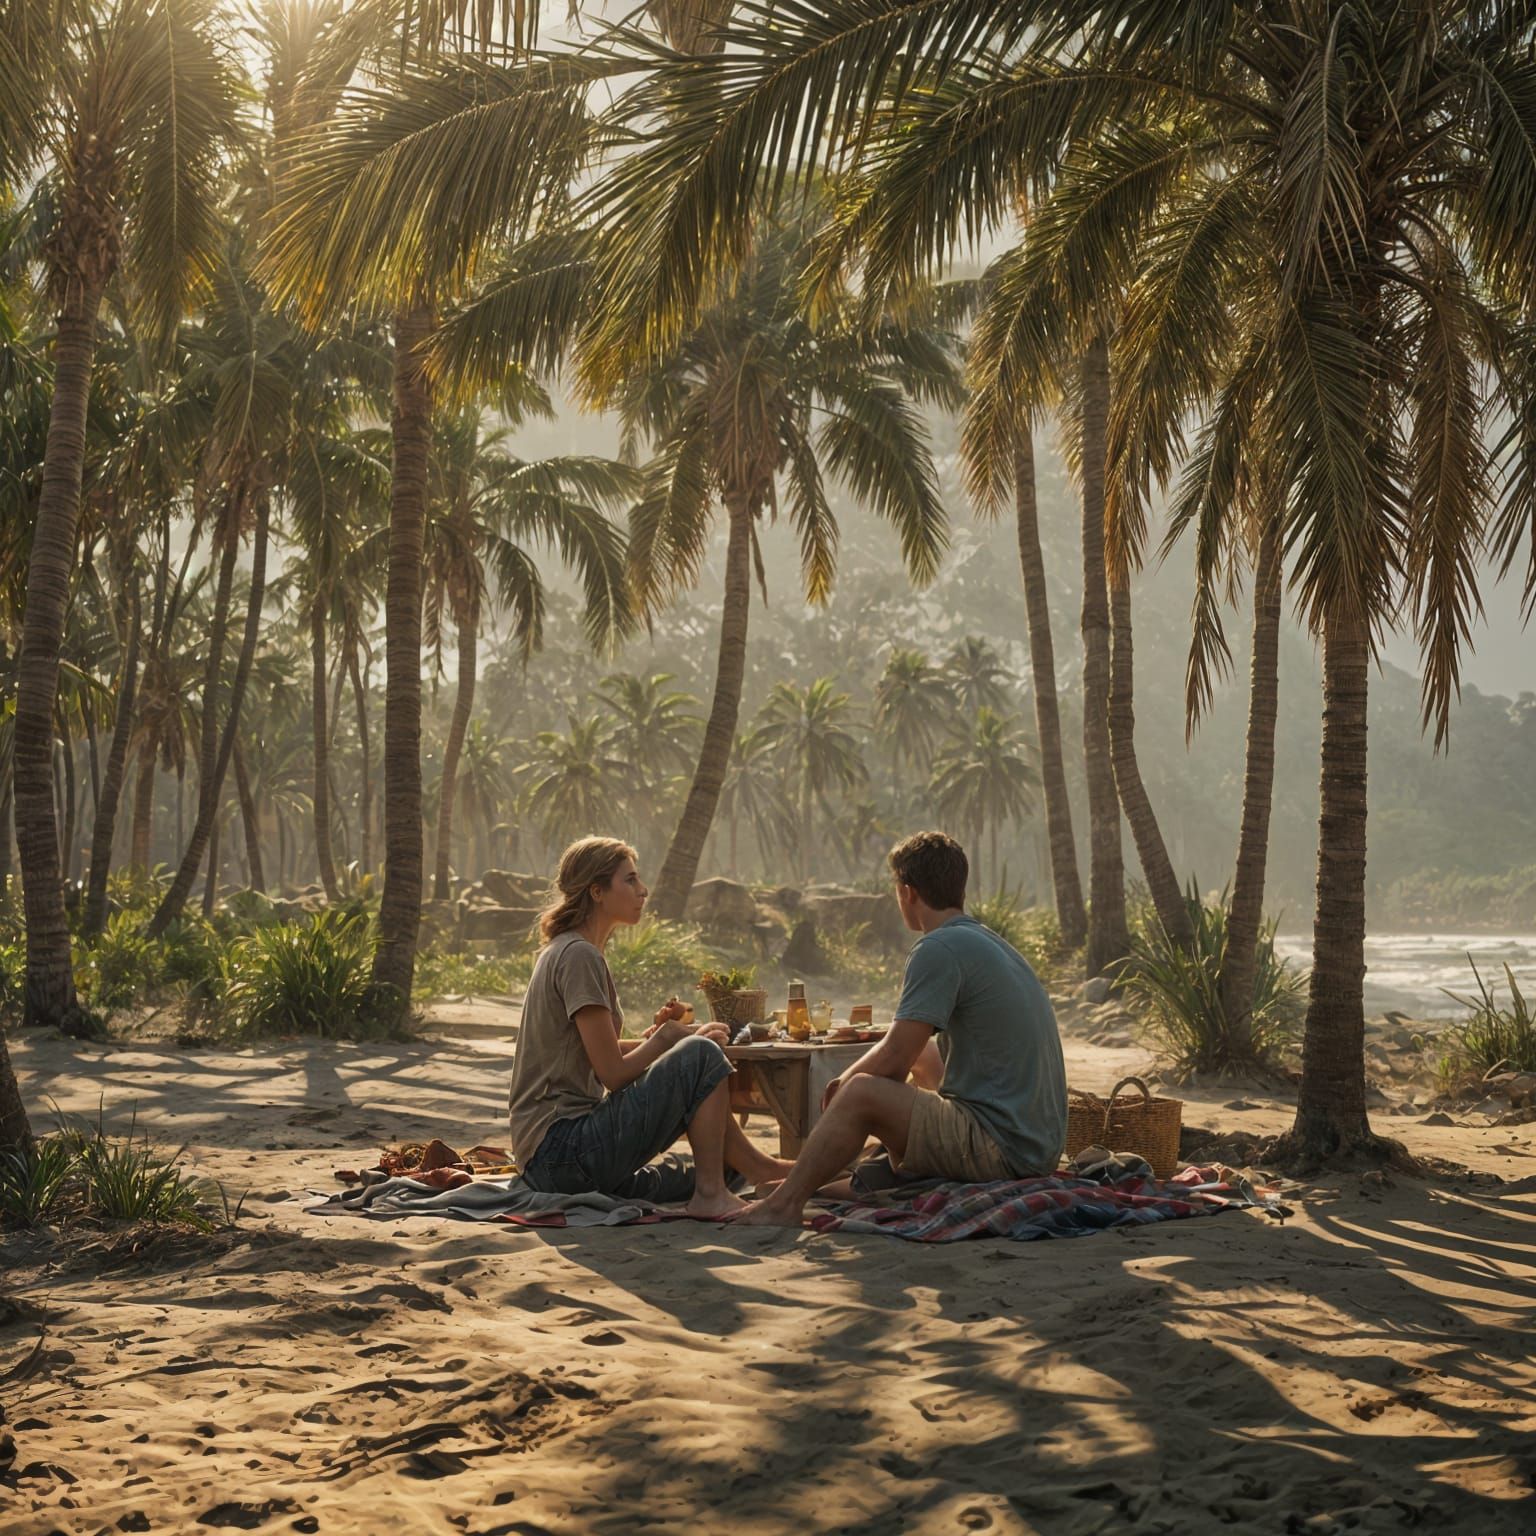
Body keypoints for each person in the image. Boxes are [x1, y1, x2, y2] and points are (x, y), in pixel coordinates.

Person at [734, 829, 1066, 1227]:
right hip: (1037, 1145)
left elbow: (895, 1056)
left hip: (1002, 1147)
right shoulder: (986, 941)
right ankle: (819, 1182)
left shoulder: (937, 948)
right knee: (923, 1058)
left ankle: (784, 1204)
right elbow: (915, 1051)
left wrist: (845, 1085)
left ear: (908, 892)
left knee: (860, 1092)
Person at [509, 836, 792, 1218]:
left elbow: (592, 1051)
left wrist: (659, 1041)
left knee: (727, 1166)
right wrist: (667, 1039)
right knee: (702, 1054)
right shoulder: (578, 955)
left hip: (551, 1161)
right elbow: (612, 1074)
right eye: (630, 881)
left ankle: (751, 1171)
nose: (643, 891)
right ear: (597, 891)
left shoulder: (570, 950)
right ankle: (713, 1194)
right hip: (562, 1153)